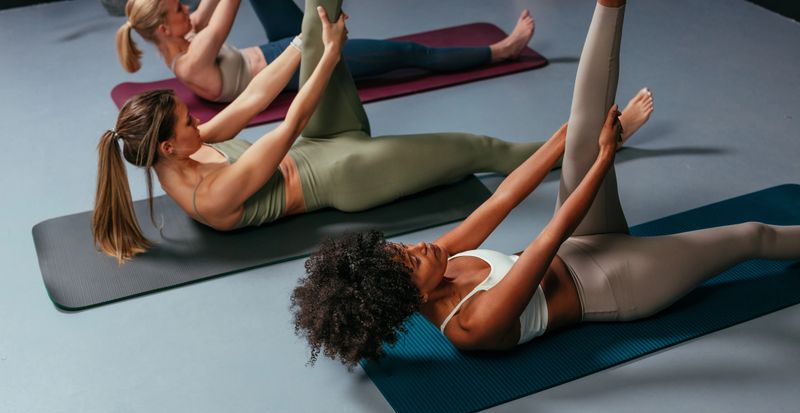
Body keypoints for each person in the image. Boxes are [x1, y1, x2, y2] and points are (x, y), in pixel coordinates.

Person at [290, 0, 800, 368]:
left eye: (398, 248)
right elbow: (550, 232)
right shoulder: (473, 325)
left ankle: (610, 5)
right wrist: (604, 154)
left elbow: (508, 194)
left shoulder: (435, 264)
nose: (418, 247)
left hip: (580, 239)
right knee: (750, 236)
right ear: (406, 296)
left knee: (581, 127)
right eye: (409, 259)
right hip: (617, 283)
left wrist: (568, 137)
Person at [96, 0, 657, 262]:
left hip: (319, 139)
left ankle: (314, 34)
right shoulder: (209, 194)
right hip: (340, 175)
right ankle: (604, 136)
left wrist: (304, 47)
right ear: (169, 146)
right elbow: (287, 125)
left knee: (317, 16)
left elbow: (253, 100)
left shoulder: (183, 149)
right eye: (190, 121)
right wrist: (331, 57)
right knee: (479, 150)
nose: (200, 121)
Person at [116, 0, 537, 102]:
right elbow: (224, 7)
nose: (187, 8)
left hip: (272, 50)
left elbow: (206, 10)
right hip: (298, 62)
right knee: (408, 53)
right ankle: (502, 51)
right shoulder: (191, 59)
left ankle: (326, 20)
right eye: (178, 7)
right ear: (165, 27)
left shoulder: (180, 38)